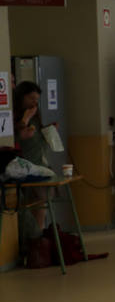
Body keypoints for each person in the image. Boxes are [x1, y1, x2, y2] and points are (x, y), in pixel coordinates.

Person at [13, 80, 52, 238]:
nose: (34, 102)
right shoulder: (18, 116)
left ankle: (40, 235)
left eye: (36, 99)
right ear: (21, 98)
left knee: (41, 202)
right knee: (26, 205)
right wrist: (25, 119)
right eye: (31, 98)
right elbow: (18, 135)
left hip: (39, 164)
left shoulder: (37, 114)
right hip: (23, 166)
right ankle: (32, 238)